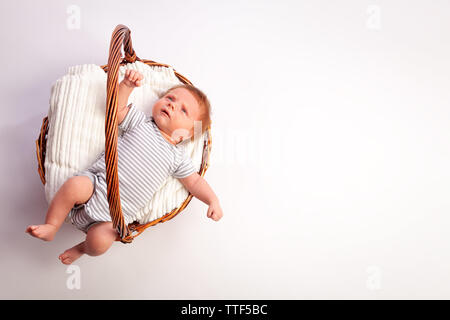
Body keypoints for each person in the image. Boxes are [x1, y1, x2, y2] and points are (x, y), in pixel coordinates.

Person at [26, 69, 223, 264]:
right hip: (96, 186)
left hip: (114, 217)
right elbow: (116, 110)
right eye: (170, 99)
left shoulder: (178, 158)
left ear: (187, 134)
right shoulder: (142, 123)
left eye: (183, 110)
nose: (172, 106)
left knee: (99, 244)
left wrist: (212, 201)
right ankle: (52, 225)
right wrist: (126, 86)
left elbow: (195, 181)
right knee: (74, 185)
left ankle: (81, 248)